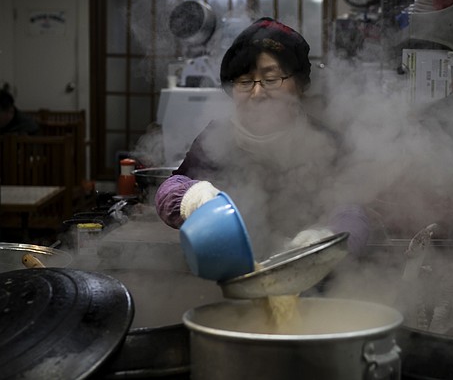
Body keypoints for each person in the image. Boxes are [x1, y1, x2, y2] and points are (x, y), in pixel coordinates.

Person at [155, 18, 370, 258]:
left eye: (270, 79)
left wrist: (329, 241)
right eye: (245, 82)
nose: (257, 93)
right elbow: (171, 188)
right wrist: (192, 198)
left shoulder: (325, 141)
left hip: (312, 275)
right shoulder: (218, 137)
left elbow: (353, 210)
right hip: (230, 268)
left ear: (299, 84)